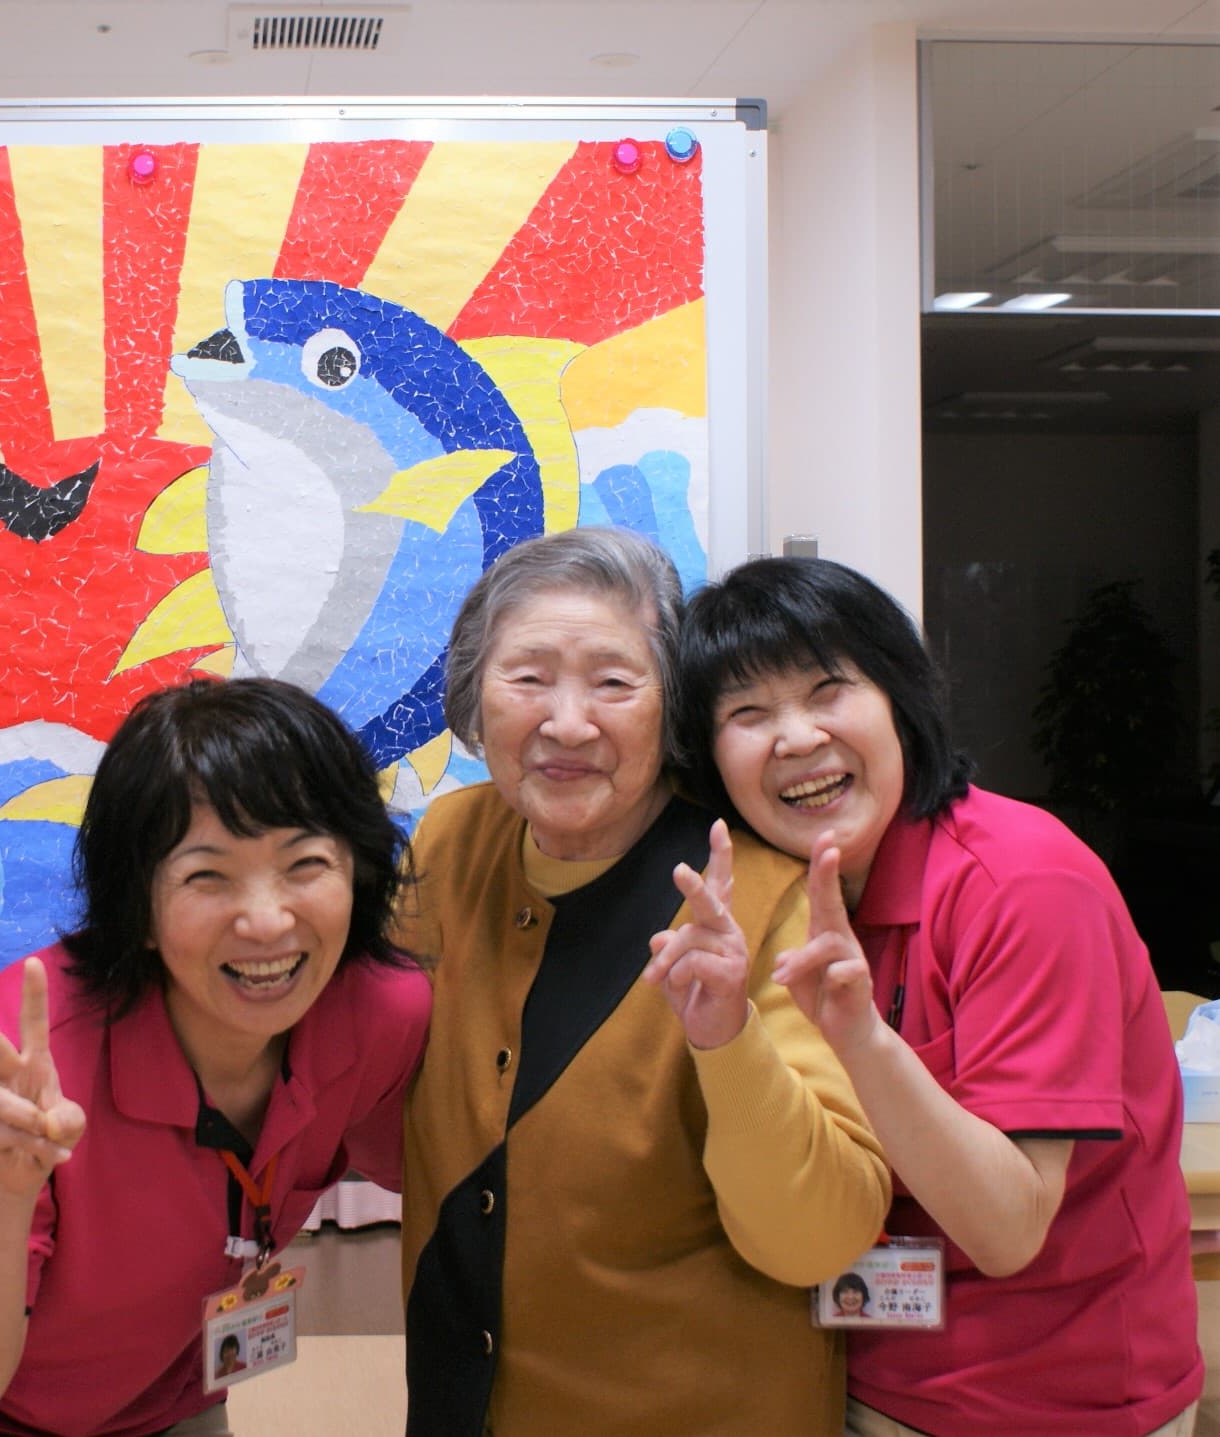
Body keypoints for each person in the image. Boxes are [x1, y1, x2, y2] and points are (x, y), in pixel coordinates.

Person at [0, 676, 432, 1437]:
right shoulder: (24, 1057)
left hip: (153, 1391)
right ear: (138, 910)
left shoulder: (378, 1015)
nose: (268, 921)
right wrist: (5, 1189)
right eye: (207, 876)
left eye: (305, 864)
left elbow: (447, 1178)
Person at [676, 556, 1203, 1437]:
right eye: (748, 713)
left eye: (828, 689)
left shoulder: (1023, 881)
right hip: (847, 1371)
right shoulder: (760, 893)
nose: (796, 738)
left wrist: (864, 1040)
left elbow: (1007, 1229)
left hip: (1049, 1404)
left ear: (901, 699)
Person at [400, 526, 890, 1436]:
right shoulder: (449, 843)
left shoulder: (761, 892)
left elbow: (822, 1235)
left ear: (672, 709)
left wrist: (728, 1039)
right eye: (529, 677)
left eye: (614, 682)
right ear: (473, 696)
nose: (568, 722)